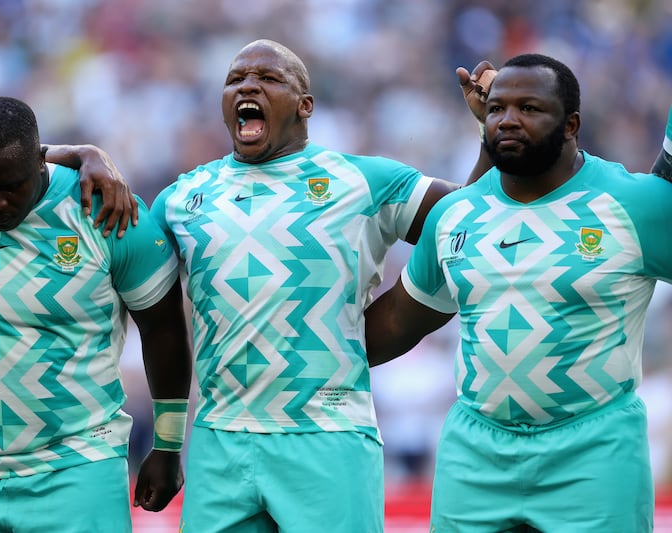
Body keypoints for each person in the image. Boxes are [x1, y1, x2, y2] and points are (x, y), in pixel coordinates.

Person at [149, 39, 493, 532]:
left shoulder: (364, 181)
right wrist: (166, 441)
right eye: (235, 79)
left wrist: (489, 133)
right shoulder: (181, 199)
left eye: (268, 79)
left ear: (305, 106)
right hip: (218, 441)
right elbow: (156, 325)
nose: (247, 85)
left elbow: (468, 222)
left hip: (327, 436)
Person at [364, 53, 672, 532]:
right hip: (475, 455)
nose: (508, 120)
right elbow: (397, 324)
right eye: (497, 109)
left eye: (529, 108)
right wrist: (301, 352)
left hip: (594, 453)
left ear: (571, 124)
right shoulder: (456, 215)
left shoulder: (635, 203)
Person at [0, 96, 192, 532]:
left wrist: (168, 443)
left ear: (40, 164)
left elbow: (163, 329)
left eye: (10, 186)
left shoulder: (107, 213)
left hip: (78, 467)